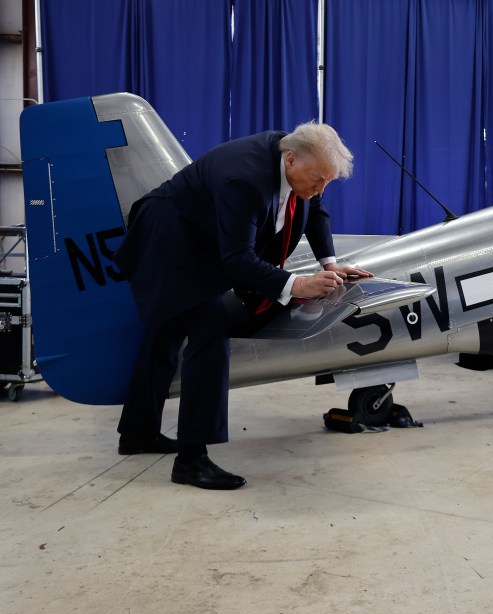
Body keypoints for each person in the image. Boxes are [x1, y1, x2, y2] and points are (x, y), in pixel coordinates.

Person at [113, 122, 371, 490]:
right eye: (318, 179)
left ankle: (138, 434)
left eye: (328, 181)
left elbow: (314, 210)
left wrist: (330, 265)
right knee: (210, 329)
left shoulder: (302, 163)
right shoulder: (245, 178)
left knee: (165, 334)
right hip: (169, 241)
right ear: (291, 160)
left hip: (198, 241)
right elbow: (237, 260)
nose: (321, 188)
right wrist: (299, 284)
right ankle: (192, 460)